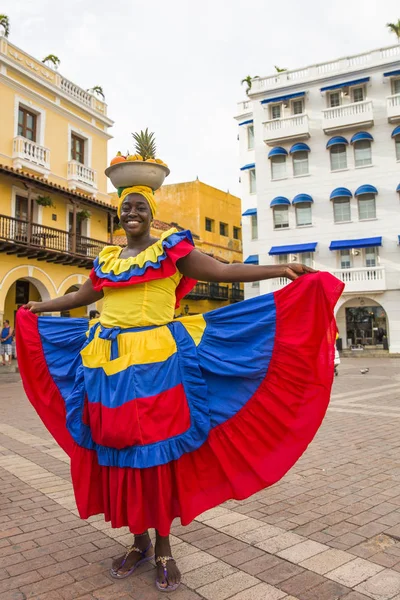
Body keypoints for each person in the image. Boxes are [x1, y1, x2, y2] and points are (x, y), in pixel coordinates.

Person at [17, 185, 343, 593]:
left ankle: (164, 548)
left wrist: (279, 271)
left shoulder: (171, 250)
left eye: (139, 207)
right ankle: (138, 541)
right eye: (125, 208)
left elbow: (221, 271)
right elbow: (86, 295)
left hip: (157, 363)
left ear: (151, 216)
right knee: (116, 449)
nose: (131, 213)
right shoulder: (108, 258)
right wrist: (40, 308)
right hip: (103, 364)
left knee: (155, 454)